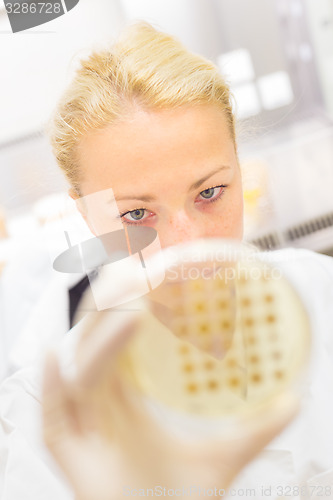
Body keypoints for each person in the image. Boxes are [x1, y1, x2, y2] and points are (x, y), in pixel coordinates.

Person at [1, 21, 333, 500]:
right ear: (88, 217)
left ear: (240, 167)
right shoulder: (44, 418)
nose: (188, 244)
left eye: (210, 193)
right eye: (137, 213)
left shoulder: (323, 294)